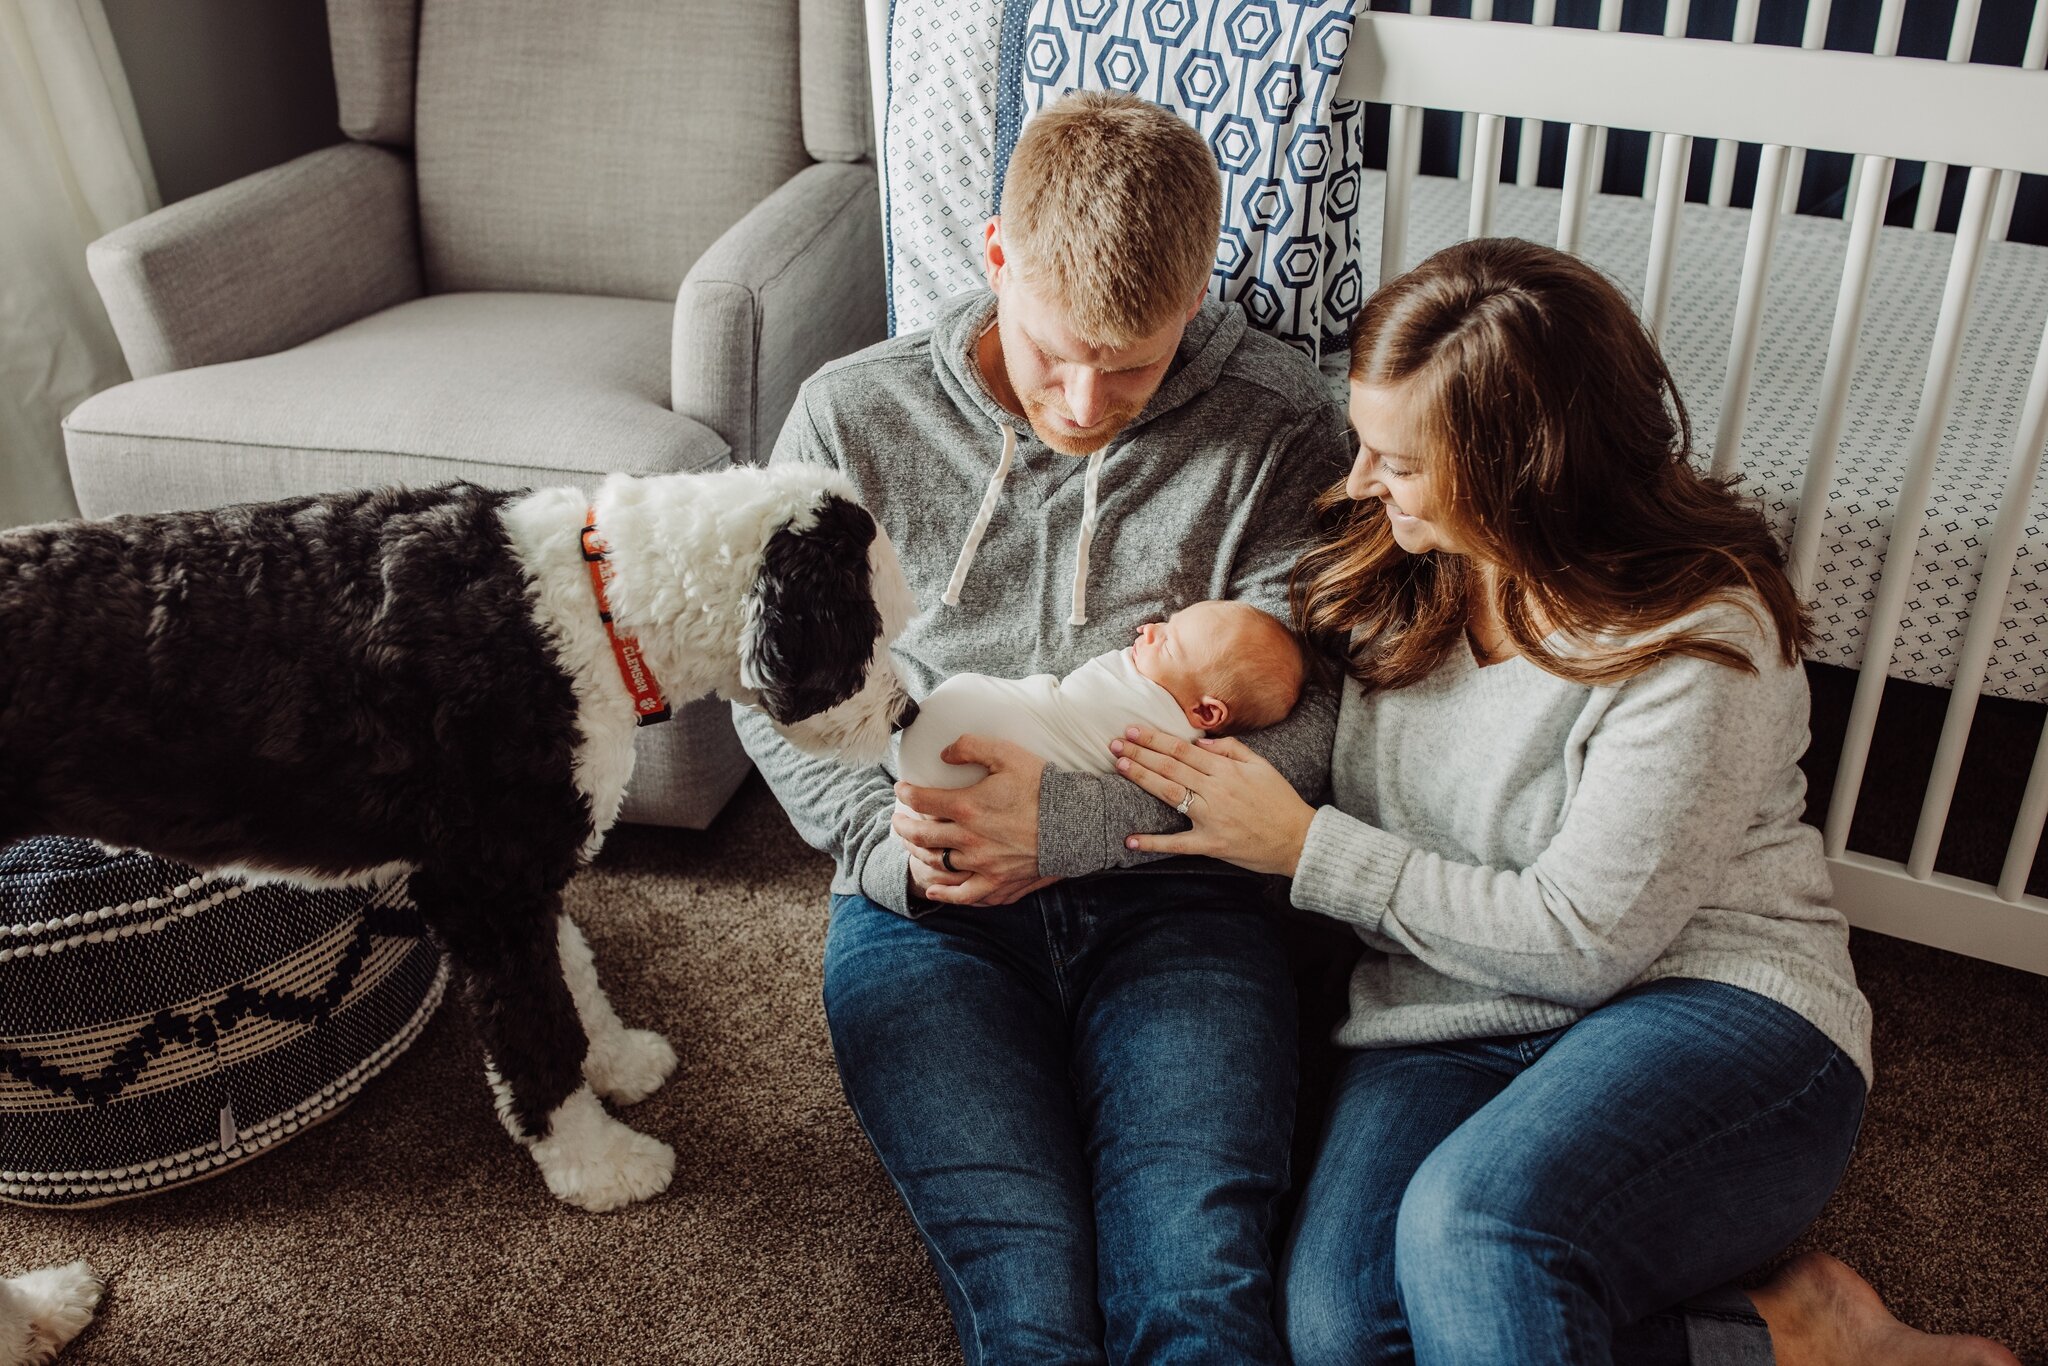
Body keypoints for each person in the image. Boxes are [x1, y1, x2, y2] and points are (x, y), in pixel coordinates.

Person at [1108, 237, 2021, 1366]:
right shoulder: (1397, 566)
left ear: (1515, 469)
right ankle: (1779, 1334)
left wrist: (1308, 851)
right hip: (1441, 1014)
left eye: (1394, 461)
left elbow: (1582, 940)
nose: (1356, 482)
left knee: (1476, 1225)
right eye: (1363, 444)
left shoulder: (1698, 638)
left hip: (1703, 1001)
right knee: (1343, 1333)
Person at [732, 90, 1345, 1362]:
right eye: (1055, 347)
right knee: (1026, 1298)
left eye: (1132, 363)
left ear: (1196, 295)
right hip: (928, 906)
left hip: (1185, 892)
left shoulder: (1282, 426)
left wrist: (1071, 824)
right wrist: (889, 851)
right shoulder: (851, 416)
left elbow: (1331, 717)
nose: (1081, 399)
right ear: (995, 256)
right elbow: (774, 682)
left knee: (1194, 1285)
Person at [896, 600, 1305, 790]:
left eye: (1168, 643)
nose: (1148, 629)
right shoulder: (1193, 748)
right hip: (940, 764)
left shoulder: (1165, 738)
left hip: (950, 757)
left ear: (1206, 713)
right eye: (1166, 623)